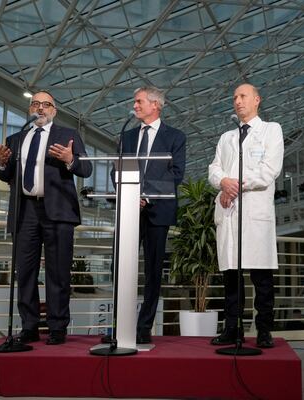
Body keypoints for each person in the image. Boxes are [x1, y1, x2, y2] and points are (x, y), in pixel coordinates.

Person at [0, 90, 92, 345]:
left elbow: (86, 169)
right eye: (35, 104)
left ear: (54, 110)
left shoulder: (68, 135)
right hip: (24, 211)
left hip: (58, 212)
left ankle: (57, 327)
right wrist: (2, 163)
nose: (40, 108)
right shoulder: (15, 139)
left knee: (58, 272)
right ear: (29, 109)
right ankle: (29, 326)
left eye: (46, 104)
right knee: (25, 271)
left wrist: (70, 159)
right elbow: (6, 176)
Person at [208, 83, 284, 348]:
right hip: (229, 211)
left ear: (257, 100)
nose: (238, 101)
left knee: (261, 277)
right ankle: (233, 329)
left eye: (243, 96)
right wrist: (222, 183)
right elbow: (214, 169)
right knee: (231, 276)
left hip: (255, 212)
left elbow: (268, 171)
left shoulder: (271, 130)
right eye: (235, 98)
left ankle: (264, 330)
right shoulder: (226, 137)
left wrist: (233, 184)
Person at [117, 86, 186, 344]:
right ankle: (121, 323)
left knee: (153, 271)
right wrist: (129, 195)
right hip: (129, 212)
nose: (134, 106)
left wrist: (145, 195)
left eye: (139, 102)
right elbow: (118, 170)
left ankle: (143, 327)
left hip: (158, 211)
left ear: (155, 105)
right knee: (120, 267)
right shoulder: (128, 136)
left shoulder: (175, 137)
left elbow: (176, 173)